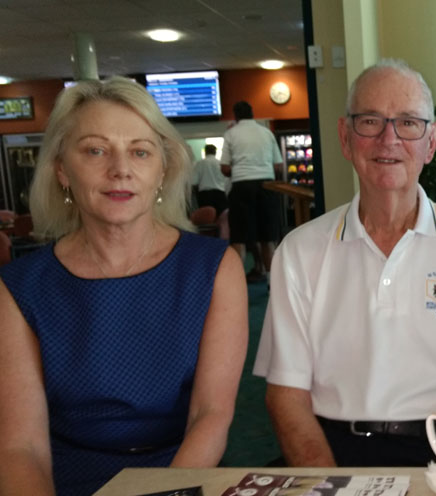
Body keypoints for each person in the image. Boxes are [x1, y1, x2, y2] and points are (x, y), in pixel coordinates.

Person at [254, 59, 436, 467]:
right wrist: (330, 487)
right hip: (332, 450)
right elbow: (286, 396)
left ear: (432, 142)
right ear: (345, 138)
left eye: (408, 123)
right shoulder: (299, 251)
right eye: (370, 121)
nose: (389, 139)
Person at [0, 77, 248, 495]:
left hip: (184, 477)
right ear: (61, 169)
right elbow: (22, 448)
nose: (121, 169)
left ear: (162, 169)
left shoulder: (213, 267)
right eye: (95, 150)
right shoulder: (20, 288)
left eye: (140, 152)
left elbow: (210, 416)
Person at [221, 101, 283, 281]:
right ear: (252, 113)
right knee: (267, 238)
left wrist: (241, 169)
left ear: (236, 115)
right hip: (267, 186)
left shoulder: (231, 133)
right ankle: (273, 286)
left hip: (241, 187)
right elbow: (278, 166)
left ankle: (236, 284)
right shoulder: (266, 133)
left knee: (238, 238)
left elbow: (224, 168)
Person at [192, 143, 228, 216]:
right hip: (220, 194)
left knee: (207, 218)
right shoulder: (220, 163)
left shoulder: (200, 163)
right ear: (215, 152)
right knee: (221, 217)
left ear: (205, 152)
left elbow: (194, 181)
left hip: (205, 195)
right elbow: (226, 180)